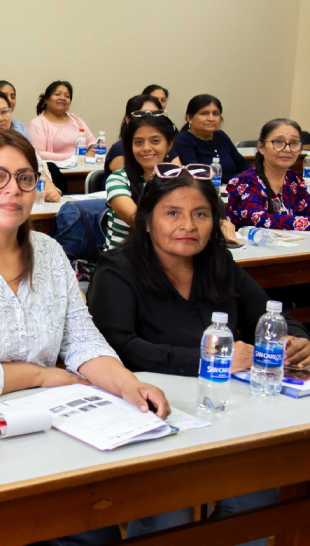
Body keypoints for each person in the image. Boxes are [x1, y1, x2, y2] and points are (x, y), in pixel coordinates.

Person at [87, 166, 309, 544]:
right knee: (170, 511)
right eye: (172, 213)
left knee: (255, 497)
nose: (188, 225)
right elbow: (119, 346)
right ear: (146, 222)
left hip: (225, 410)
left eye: (201, 214)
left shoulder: (220, 265)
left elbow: (274, 314)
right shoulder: (117, 269)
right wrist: (214, 358)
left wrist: (298, 339)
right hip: (152, 414)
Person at [0, 129, 169, 410]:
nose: (13, 189)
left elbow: (84, 342)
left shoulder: (48, 252)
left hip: (53, 411)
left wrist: (127, 384)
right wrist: (40, 376)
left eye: (25, 178)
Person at [104, 113, 178, 249]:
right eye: (138, 142)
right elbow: (139, 222)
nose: (146, 148)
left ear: (170, 145)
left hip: (168, 258)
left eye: (155, 141)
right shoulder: (118, 179)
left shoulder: (180, 180)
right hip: (122, 261)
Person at [227, 118, 310, 230]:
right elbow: (261, 220)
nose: (287, 149)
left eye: (294, 143)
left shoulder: (294, 180)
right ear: (261, 147)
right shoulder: (245, 182)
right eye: (278, 142)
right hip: (251, 246)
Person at [173, 94, 252, 179]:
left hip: (232, 188)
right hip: (206, 189)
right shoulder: (183, 140)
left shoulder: (221, 136)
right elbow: (196, 174)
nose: (211, 119)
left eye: (216, 114)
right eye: (204, 113)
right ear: (189, 118)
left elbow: (244, 165)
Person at [26, 80, 96, 161]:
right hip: (57, 171)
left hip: (83, 167)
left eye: (67, 96)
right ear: (46, 100)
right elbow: (38, 154)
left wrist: (91, 152)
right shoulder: (37, 124)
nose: (63, 98)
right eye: (57, 94)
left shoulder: (75, 119)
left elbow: (92, 141)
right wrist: (74, 157)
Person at [105, 93, 163, 172]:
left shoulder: (164, 146)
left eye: (155, 114)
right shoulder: (119, 149)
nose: (150, 120)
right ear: (128, 119)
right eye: (142, 114)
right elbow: (134, 180)